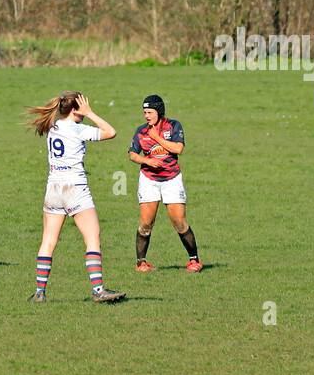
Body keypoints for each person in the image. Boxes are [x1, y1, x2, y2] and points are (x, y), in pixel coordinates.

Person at [26, 91, 125, 303]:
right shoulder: (78, 129)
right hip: (75, 188)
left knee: (48, 241)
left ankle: (40, 292)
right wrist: (90, 113)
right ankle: (98, 290)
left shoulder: (53, 127)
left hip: (53, 188)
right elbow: (111, 132)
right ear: (75, 109)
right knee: (92, 238)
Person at [129, 93, 202, 273]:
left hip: (172, 179)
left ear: (159, 111)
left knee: (179, 221)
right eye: (145, 112)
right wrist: (147, 161)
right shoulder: (141, 131)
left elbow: (178, 148)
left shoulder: (174, 125)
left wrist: (157, 138)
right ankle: (141, 263)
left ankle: (194, 261)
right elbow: (132, 154)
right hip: (149, 180)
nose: (146, 116)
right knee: (146, 223)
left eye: (150, 112)